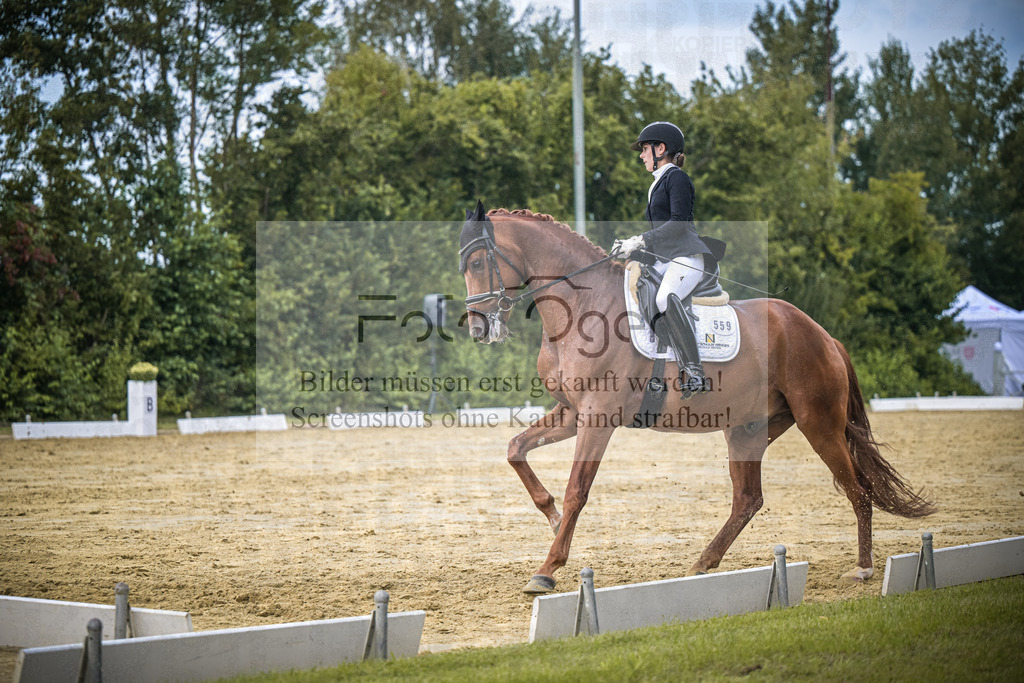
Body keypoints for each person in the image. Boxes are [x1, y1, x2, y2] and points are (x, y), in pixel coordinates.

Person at [612, 121, 720, 396]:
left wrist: (642, 239)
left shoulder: (677, 178)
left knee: (664, 298)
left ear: (661, 148)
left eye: (644, 149)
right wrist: (631, 248)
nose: (641, 155)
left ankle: (695, 371)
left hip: (687, 257)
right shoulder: (657, 183)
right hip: (667, 258)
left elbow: (679, 224)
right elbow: (660, 237)